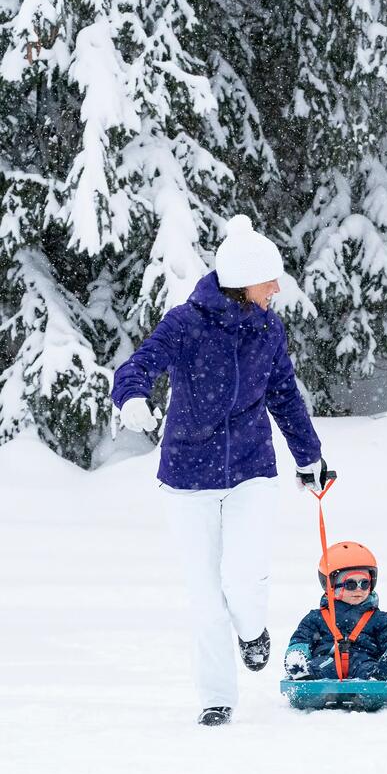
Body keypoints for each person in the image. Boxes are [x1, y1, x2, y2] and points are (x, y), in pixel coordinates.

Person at [112, 214, 334, 727]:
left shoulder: (268, 329)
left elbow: (284, 397)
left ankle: (252, 629)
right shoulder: (185, 324)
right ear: (241, 283)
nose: (278, 287)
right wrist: (131, 399)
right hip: (188, 477)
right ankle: (216, 696)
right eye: (269, 279)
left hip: (253, 468)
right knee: (205, 594)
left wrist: (310, 456)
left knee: (242, 578)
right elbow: (138, 366)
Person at [284, 542, 387, 681]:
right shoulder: (316, 618)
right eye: (350, 584)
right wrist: (297, 654)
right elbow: (301, 639)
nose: (359, 589)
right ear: (331, 586)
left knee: (374, 670)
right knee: (316, 668)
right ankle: (304, 676)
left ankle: (379, 679)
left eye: (364, 583)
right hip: (326, 664)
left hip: (364, 664)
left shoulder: (379, 619)